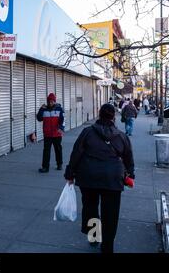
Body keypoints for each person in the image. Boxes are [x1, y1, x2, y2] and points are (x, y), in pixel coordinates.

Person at [64, 104, 135, 253]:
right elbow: (128, 157)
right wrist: (130, 174)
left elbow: (76, 153)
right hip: (112, 179)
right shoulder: (121, 136)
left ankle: (94, 237)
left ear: (99, 114)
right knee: (111, 213)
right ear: (113, 117)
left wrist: (70, 174)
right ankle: (107, 246)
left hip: (89, 177)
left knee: (90, 208)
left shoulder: (87, 132)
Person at [36, 93, 65, 173]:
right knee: (46, 151)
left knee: (58, 149)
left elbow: (63, 120)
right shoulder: (44, 109)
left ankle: (59, 164)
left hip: (57, 133)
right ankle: (45, 167)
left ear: (55, 101)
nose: (50, 103)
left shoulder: (59, 109)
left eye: (52, 101)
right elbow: (39, 118)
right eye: (49, 101)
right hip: (47, 134)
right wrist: (41, 109)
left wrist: (61, 128)